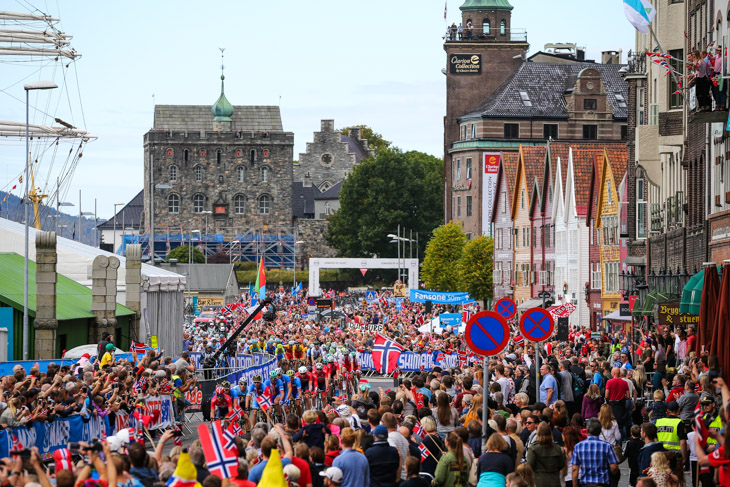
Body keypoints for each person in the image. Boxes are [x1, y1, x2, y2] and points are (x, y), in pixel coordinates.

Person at [571, 418, 619, 487]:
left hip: (586, 483)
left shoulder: (578, 446)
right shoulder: (607, 446)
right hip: (601, 483)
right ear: (600, 431)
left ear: (587, 430)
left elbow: (575, 469)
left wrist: (575, 485)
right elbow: (614, 467)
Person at [525, 422, 566, 487]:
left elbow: (529, 465)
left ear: (538, 433)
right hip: (554, 480)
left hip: (538, 481)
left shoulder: (533, 448)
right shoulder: (557, 448)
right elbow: (561, 464)